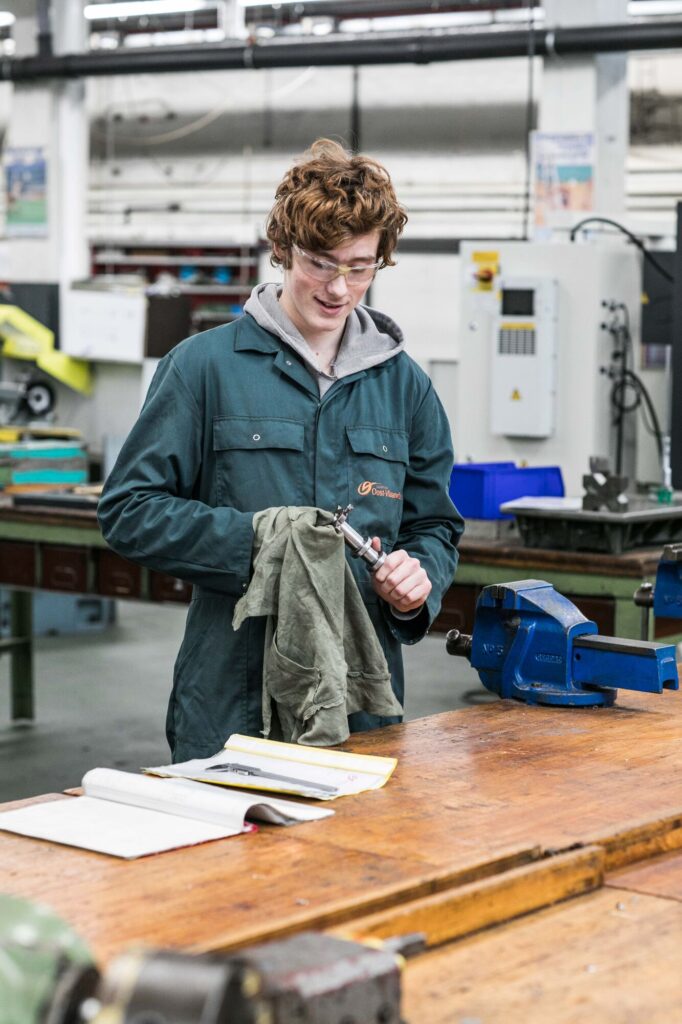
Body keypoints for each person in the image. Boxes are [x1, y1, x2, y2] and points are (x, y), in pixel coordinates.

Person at [98, 138, 464, 762]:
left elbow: (434, 526)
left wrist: (419, 580)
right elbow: (129, 511)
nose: (340, 287)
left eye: (360, 265)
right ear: (284, 250)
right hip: (232, 691)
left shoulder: (404, 386)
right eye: (321, 262)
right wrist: (265, 544)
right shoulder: (203, 369)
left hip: (359, 697)